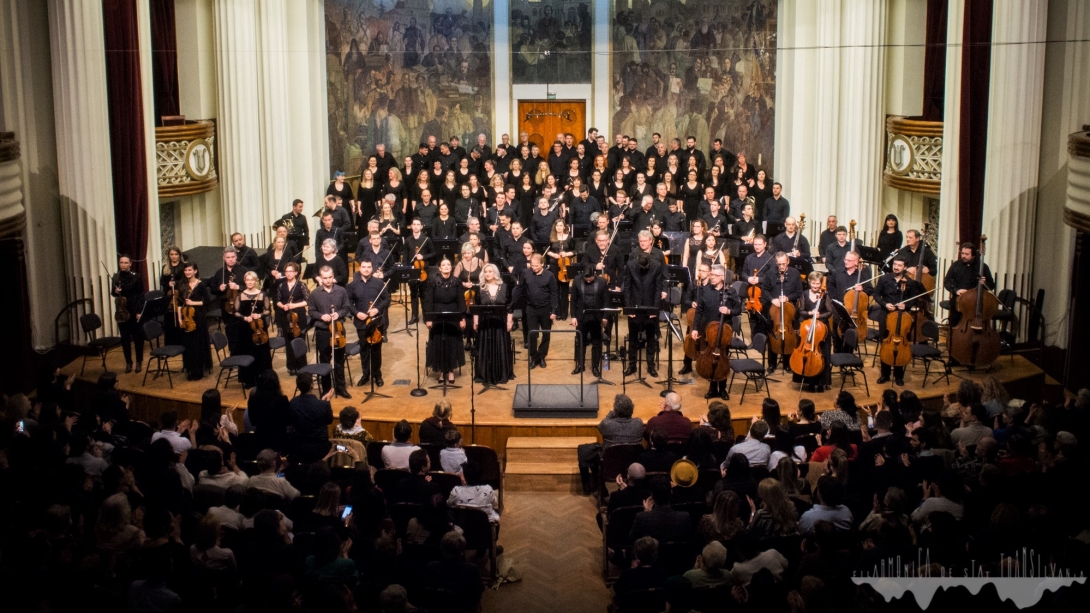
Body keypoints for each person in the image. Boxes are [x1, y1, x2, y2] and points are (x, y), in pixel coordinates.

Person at [873, 257, 925, 385]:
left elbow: (914, 299)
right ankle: (885, 374)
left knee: (900, 344)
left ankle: (898, 375)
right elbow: (876, 295)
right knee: (886, 343)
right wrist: (885, 304)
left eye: (899, 265)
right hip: (886, 314)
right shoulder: (884, 279)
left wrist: (906, 306)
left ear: (905, 267)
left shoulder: (910, 282)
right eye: (895, 264)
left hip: (902, 316)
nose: (896, 267)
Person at [691, 264, 740, 399]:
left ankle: (723, 389)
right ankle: (712, 388)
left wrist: (729, 311)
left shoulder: (730, 292)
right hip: (709, 332)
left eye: (715, 275)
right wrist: (695, 328)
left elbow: (738, 310)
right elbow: (699, 311)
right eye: (711, 275)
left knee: (722, 360)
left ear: (722, 277)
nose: (711, 277)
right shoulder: (704, 290)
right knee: (710, 359)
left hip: (725, 332)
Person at [308, 265, 352, 399]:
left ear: (333, 277)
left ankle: (340, 388)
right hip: (322, 330)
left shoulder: (341, 291)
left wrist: (338, 314)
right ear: (320, 278)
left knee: (339, 359)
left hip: (338, 329)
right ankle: (326, 388)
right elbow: (311, 311)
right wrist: (321, 316)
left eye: (330, 277)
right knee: (325, 360)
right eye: (324, 278)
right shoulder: (315, 293)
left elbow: (346, 307)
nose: (327, 280)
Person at [623, 251, 666, 377]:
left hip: (650, 306)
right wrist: (629, 309)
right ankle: (632, 366)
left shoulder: (657, 266)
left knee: (651, 338)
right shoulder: (630, 265)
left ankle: (651, 366)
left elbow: (658, 288)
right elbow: (627, 288)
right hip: (634, 305)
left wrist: (654, 310)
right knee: (632, 338)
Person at [348, 260, 390, 387]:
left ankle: (377, 375)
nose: (366, 269)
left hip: (377, 321)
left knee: (376, 350)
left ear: (372, 268)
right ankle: (365, 374)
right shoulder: (353, 285)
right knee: (364, 349)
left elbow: (387, 299)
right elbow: (348, 303)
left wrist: (377, 309)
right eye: (364, 267)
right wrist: (356, 313)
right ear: (359, 268)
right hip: (361, 322)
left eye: (369, 267)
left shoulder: (379, 283)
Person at [512, 254, 558, 369]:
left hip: (546, 308)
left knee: (546, 334)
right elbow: (520, 288)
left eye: (536, 266)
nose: (534, 268)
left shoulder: (549, 275)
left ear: (542, 264)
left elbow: (554, 294)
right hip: (531, 308)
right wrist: (511, 302)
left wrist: (553, 311)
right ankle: (534, 357)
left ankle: (541, 356)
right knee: (532, 334)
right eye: (532, 265)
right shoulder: (526, 273)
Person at [424, 258, 466, 383]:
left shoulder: (457, 281)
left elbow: (461, 301)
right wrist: (428, 318)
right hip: (437, 315)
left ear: (451, 268)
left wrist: (462, 318)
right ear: (440, 268)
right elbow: (428, 301)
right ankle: (442, 371)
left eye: (448, 264)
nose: (446, 266)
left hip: (453, 314)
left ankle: (451, 370)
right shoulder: (432, 281)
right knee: (439, 342)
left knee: (452, 342)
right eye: (444, 265)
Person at [761, 253, 804, 374]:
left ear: (788, 261)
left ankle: (787, 363)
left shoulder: (795, 274)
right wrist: (772, 299)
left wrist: (787, 298)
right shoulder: (770, 273)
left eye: (783, 264)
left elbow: (799, 292)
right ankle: (771, 364)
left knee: (790, 337)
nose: (781, 266)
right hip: (774, 310)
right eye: (779, 264)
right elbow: (765, 290)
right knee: (772, 336)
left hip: (789, 311)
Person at [472, 263, 514, 385]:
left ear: (495, 273)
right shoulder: (480, 288)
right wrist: (476, 321)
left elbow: (509, 306)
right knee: (485, 348)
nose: (488, 274)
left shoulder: (504, 287)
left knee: (500, 347)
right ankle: (485, 374)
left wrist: (509, 321)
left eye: (490, 271)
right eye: (486, 272)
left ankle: (500, 374)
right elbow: (476, 306)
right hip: (485, 323)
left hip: (500, 323)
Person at [793, 271, 832, 392]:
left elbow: (830, 311)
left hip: (821, 329)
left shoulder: (824, 295)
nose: (815, 286)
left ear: (821, 284)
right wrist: (810, 313)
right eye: (813, 283)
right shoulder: (804, 294)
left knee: (822, 354)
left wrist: (820, 315)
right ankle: (809, 381)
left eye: (818, 284)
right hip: (807, 328)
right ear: (809, 282)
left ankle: (821, 383)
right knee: (805, 353)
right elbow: (801, 310)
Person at [233, 271, 272, 388]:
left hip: (259, 327)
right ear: (245, 281)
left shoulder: (262, 294)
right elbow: (235, 312)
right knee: (247, 351)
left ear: (256, 281)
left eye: (252, 280)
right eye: (248, 280)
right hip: (245, 329)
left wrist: (259, 315)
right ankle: (249, 379)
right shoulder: (240, 295)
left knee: (261, 352)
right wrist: (245, 318)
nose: (250, 282)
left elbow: (268, 310)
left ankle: (263, 378)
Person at [943, 241, 995, 327]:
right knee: (955, 324)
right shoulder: (956, 265)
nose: (963, 256)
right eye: (962, 253)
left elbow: (991, 285)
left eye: (967, 254)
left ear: (973, 255)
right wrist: (956, 290)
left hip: (975, 302)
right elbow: (947, 281)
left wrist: (984, 283)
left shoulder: (982, 267)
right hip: (958, 300)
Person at [570, 268, 609, 376]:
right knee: (580, 342)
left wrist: (605, 316)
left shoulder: (602, 282)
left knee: (596, 343)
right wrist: (573, 316)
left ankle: (595, 367)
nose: (587, 281)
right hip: (581, 317)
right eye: (585, 279)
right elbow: (573, 300)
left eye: (590, 279)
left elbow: (606, 300)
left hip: (596, 317)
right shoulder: (577, 280)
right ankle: (580, 366)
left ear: (594, 274)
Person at [211, 246, 250, 354]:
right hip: (226, 307)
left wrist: (239, 287)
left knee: (243, 329)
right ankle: (233, 353)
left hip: (242, 306)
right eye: (228, 257)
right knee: (230, 330)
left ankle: (245, 353)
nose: (231, 259)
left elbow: (250, 287)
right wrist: (219, 288)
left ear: (236, 257)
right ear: (224, 258)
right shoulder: (220, 273)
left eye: (233, 257)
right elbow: (212, 289)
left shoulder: (243, 270)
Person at [110, 254, 145, 373]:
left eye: (126, 263)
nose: (123, 265)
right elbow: (113, 294)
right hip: (122, 312)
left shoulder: (136, 277)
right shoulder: (116, 277)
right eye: (121, 262)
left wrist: (140, 311)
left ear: (130, 264)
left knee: (137, 337)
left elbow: (141, 295)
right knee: (125, 338)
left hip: (134, 309)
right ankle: (128, 362)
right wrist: (116, 291)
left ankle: (139, 361)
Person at [288, 373, 333, 463]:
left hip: (300, 446)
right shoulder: (323, 405)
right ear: (312, 385)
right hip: (320, 448)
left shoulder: (293, 403)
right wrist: (327, 402)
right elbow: (329, 420)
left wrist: (323, 403)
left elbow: (291, 421)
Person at [178, 261, 211, 380]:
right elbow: (178, 303)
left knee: (197, 344)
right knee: (188, 344)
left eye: (190, 270)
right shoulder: (181, 284)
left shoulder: (200, 284)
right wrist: (179, 319)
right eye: (185, 270)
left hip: (198, 316)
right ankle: (190, 368)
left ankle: (198, 370)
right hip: (186, 317)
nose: (187, 272)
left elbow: (207, 301)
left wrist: (193, 303)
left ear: (195, 271)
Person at [274, 262, 309, 375]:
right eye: (287, 271)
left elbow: (307, 300)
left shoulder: (301, 285)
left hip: (299, 316)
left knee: (299, 340)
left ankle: (301, 366)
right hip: (285, 316)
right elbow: (277, 301)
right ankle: (291, 366)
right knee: (288, 342)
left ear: (296, 272)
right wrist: (283, 306)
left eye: (291, 271)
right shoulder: (281, 285)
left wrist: (294, 305)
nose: (288, 273)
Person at [402, 218, 433, 324]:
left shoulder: (426, 239)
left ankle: (425, 316)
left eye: (418, 224)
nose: (415, 226)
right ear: (411, 226)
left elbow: (433, 253)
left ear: (421, 226)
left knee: (424, 294)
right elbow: (405, 256)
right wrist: (407, 268)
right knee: (414, 294)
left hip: (424, 270)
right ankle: (415, 316)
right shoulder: (408, 240)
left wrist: (423, 256)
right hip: (412, 270)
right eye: (414, 224)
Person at [547, 219, 576, 319]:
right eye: (557, 226)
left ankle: (564, 313)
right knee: (555, 289)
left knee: (564, 289)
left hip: (565, 265)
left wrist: (566, 254)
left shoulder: (569, 238)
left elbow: (574, 251)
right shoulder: (552, 238)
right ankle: (557, 311)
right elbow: (547, 251)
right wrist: (554, 255)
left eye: (560, 225)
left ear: (564, 227)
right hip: (554, 265)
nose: (559, 227)